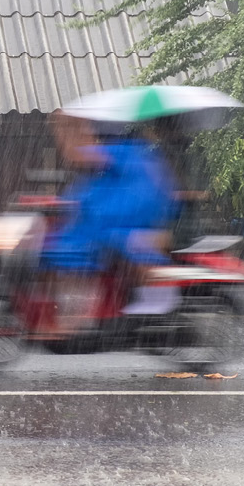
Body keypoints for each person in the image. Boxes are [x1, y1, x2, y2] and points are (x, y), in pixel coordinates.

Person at [35, 113, 179, 333]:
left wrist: (66, 127)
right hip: (108, 221)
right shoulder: (130, 157)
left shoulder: (126, 152)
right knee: (58, 245)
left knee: (75, 248)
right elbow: (83, 190)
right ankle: (73, 311)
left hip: (125, 223)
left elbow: (78, 155)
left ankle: (81, 313)